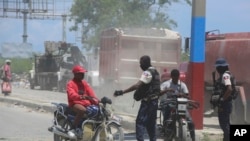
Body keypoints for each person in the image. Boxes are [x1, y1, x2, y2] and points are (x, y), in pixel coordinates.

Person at [114, 55, 160, 141]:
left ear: (145, 63)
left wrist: (122, 92)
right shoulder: (156, 72)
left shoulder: (147, 72)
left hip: (148, 103)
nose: (140, 65)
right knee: (151, 124)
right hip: (154, 102)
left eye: (141, 63)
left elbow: (137, 85)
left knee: (140, 123)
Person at [159, 69, 196, 141]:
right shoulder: (166, 84)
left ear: (179, 76)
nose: (176, 79)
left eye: (177, 77)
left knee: (190, 120)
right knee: (167, 117)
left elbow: (187, 96)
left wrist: (182, 94)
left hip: (180, 103)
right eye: (174, 77)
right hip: (170, 102)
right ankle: (165, 130)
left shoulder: (182, 85)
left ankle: (193, 137)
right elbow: (159, 92)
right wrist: (167, 90)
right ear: (171, 77)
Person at [66, 65, 99, 135]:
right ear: (75, 74)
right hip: (74, 103)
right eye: (80, 73)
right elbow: (71, 95)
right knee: (82, 110)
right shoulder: (70, 83)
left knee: (97, 110)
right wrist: (80, 97)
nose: (83, 75)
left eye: (83, 73)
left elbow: (91, 94)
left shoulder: (84, 83)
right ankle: (73, 128)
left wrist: (98, 101)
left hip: (85, 103)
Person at [211, 58, 232, 141]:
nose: (217, 69)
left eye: (218, 67)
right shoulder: (224, 75)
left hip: (225, 104)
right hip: (224, 103)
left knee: (224, 124)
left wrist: (223, 99)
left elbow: (229, 89)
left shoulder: (225, 76)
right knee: (225, 123)